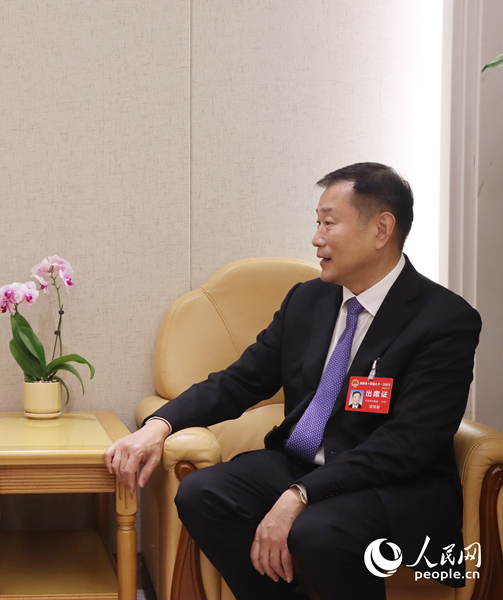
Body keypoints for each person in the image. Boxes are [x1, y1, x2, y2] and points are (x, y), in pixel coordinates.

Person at [105, 163, 481, 599]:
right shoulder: (308, 299)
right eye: (316, 223)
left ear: (381, 229)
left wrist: (300, 494)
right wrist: (160, 425)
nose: (316, 238)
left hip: (388, 485)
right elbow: (240, 381)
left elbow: (407, 443)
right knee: (202, 493)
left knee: (316, 532)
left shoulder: (444, 319)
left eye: (329, 223)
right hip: (301, 461)